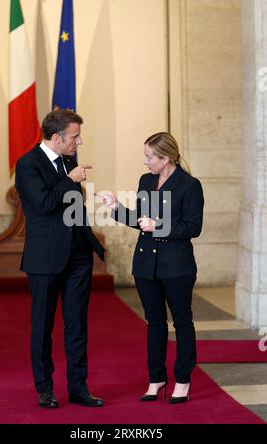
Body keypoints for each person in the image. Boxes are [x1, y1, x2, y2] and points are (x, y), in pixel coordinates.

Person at [98, 132, 204, 404]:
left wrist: (159, 226)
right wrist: (117, 208)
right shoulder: (146, 181)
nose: (145, 162)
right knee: (154, 324)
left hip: (177, 266)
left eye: (149, 157)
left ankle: (182, 380)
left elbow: (193, 228)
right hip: (146, 264)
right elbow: (140, 221)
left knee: (181, 322)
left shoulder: (189, 185)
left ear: (165, 158)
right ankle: (156, 379)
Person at [15, 109, 105, 408]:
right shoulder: (28, 164)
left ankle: (79, 388)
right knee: (42, 326)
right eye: (75, 136)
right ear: (57, 138)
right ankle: (45, 390)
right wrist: (70, 180)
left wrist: (90, 242)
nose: (79, 141)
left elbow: (70, 207)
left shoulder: (69, 161)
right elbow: (43, 205)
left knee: (77, 325)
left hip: (78, 256)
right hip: (44, 258)